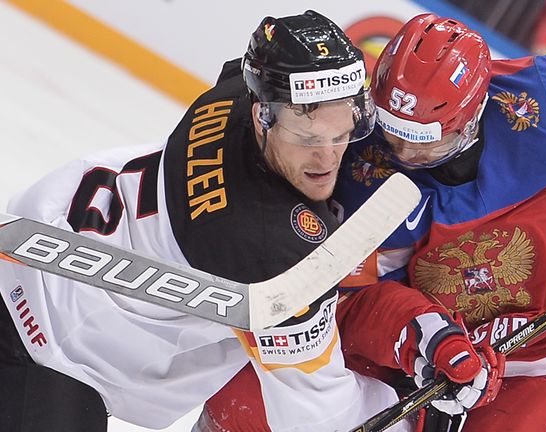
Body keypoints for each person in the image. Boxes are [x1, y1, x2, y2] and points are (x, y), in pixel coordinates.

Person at [204, 12, 546, 432]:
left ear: (473, 116)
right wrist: (421, 335)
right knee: (245, 401)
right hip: (422, 357)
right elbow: (348, 300)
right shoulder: (355, 161)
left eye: (425, 142)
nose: (400, 153)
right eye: (390, 131)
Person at [0, 10, 410, 432]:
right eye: (307, 139)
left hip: (37, 240)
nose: (327, 158)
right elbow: (318, 412)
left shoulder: (234, 92)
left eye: (340, 135)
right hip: (52, 346)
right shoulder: (267, 249)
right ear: (263, 117)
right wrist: (413, 419)